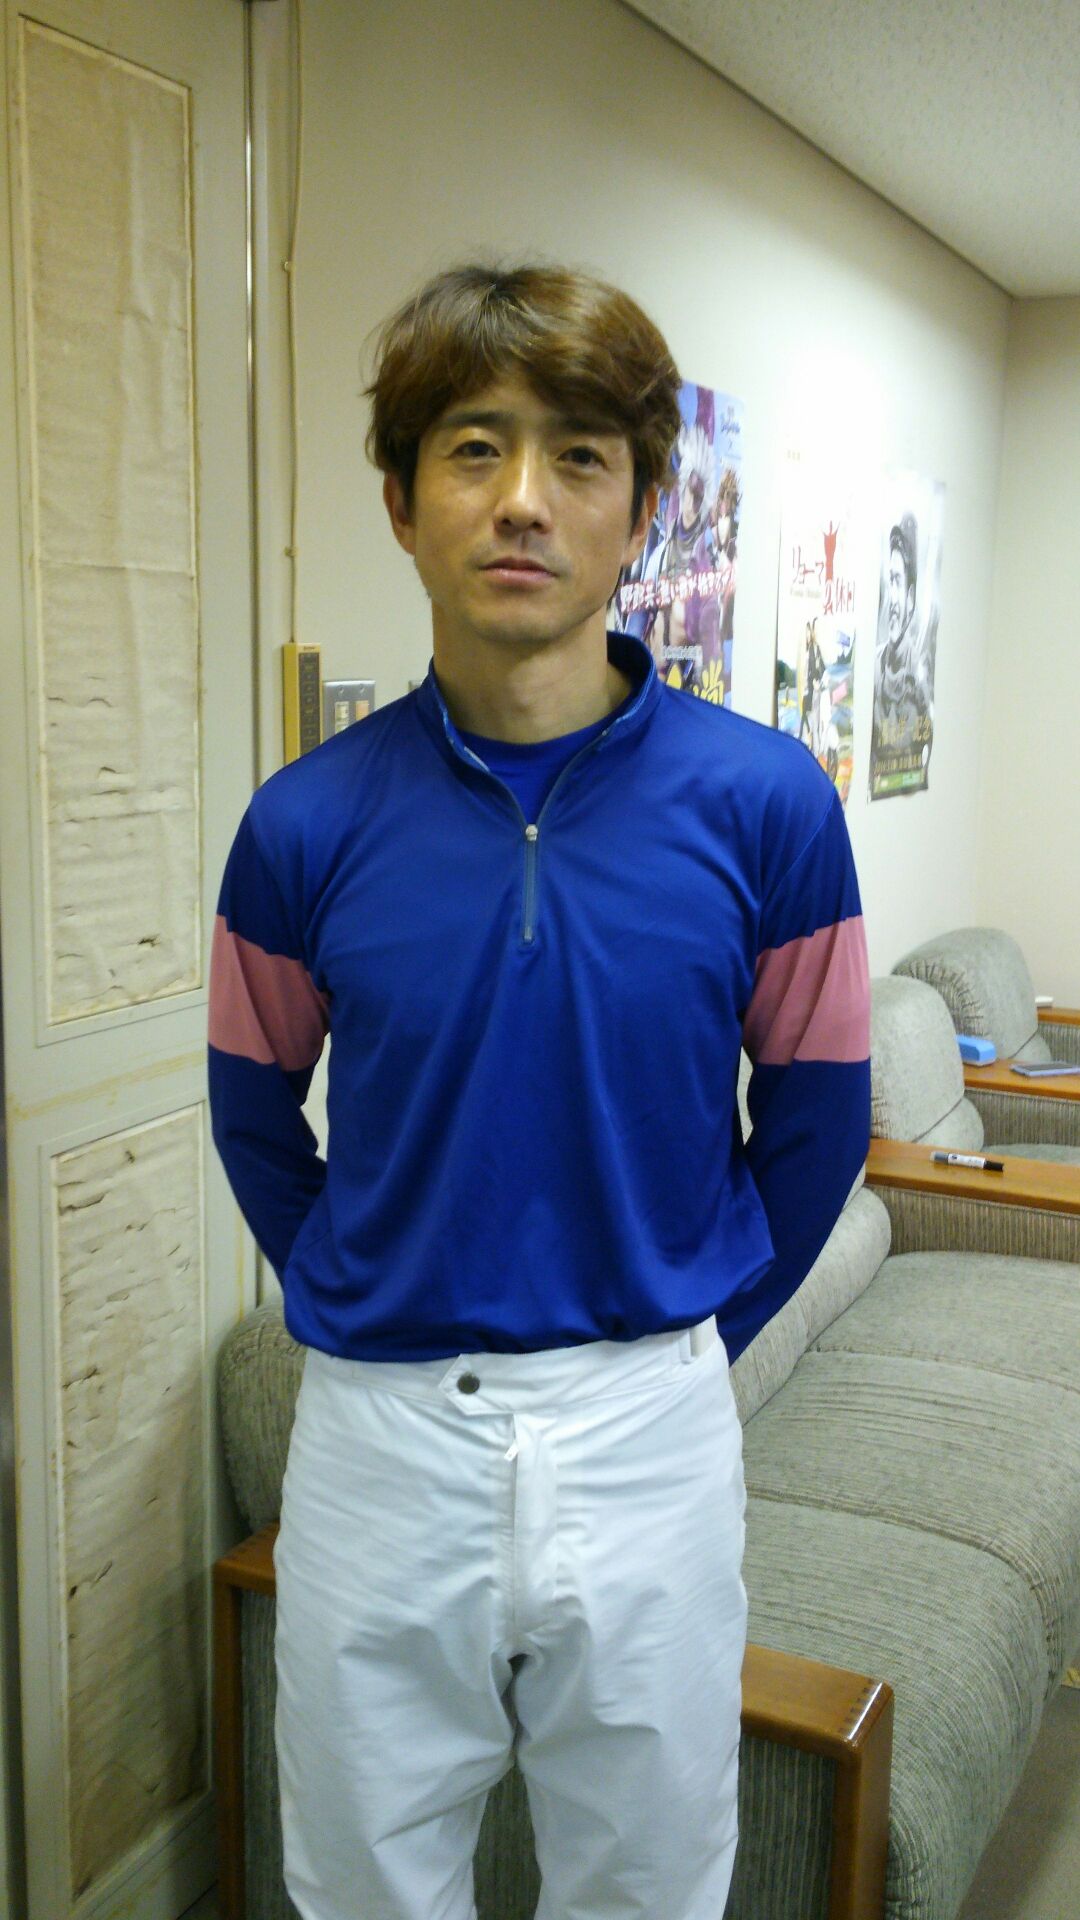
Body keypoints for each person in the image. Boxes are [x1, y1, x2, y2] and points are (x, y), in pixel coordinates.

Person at [208, 262, 871, 1920]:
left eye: (579, 455)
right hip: (379, 1441)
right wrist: (364, 1277)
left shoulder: (768, 807)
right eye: (472, 448)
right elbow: (252, 1108)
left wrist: (680, 1343)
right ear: (399, 500)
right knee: (363, 1884)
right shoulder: (301, 826)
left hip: (653, 1431)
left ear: (642, 513)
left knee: (651, 1885)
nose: (522, 499)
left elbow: (816, 1122)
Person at [872, 511, 934, 759]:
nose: (892, 600)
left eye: (897, 581)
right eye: (890, 581)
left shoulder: (919, 679)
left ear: (910, 597)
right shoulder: (876, 666)